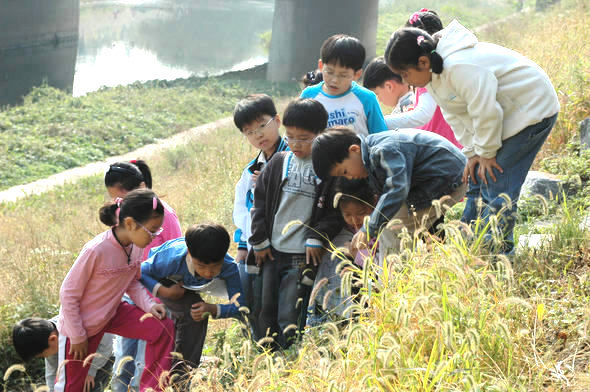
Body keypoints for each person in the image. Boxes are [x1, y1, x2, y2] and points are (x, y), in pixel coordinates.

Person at [384, 20, 560, 252]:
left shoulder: (459, 66)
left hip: (531, 110)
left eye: (405, 74)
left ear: (423, 62)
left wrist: (486, 153)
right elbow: (455, 115)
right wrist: (472, 153)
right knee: (475, 178)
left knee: (498, 184)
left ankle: (497, 257)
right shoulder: (434, 75)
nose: (406, 82)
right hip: (506, 113)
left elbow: (486, 112)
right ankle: (470, 248)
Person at [56, 188, 174, 392]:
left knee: (162, 327)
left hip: (112, 312)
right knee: (72, 387)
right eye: (152, 231)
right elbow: (68, 292)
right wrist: (77, 335)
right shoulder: (96, 250)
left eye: (158, 231)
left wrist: (149, 305)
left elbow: (132, 282)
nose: (155, 237)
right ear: (129, 223)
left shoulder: (135, 246)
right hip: (81, 326)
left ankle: (153, 387)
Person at [311, 127, 467, 261]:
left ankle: (391, 283)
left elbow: (397, 189)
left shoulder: (384, 151)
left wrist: (369, 229)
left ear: (354, 150)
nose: (349, 177)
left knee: (391, 229)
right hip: (431, 184)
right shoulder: (370, 154)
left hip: (447, 178)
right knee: (401, 228)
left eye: (345, 171)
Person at [249, 98, 330, 348]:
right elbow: (259, 203)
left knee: (290, 310)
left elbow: (332, 212)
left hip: (300, 256)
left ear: (321, 134)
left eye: (304, 138)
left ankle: (289, 356)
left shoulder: (326, 169)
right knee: (263, 308)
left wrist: (317, 237)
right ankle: (266, 355)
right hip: (271, 251)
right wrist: (259, 241)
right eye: (290, 136)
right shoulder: (279, 161)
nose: (295, 143)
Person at [105, 160, 182, 392]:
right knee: (123, 357)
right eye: (117, 199)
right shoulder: (122, 212)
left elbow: (176, 253)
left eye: (124, 197)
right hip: (131, 293)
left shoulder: (165, 215)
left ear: (141, 187)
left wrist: (166, 294)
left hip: (158, 298)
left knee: (145, 360)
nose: (122, 203)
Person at [139, 223, 245, 376]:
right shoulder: (171, 259)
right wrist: (166, 292)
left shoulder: (229, 266)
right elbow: (141, 272)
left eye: (215, 267)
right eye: (201, 266)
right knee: (189, 312)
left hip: (188, 285)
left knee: (197, 314)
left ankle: (183, 376)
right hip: (164, 281)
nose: (208, 272)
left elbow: (242, 306)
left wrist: (213, 309)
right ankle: (176, 376)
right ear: (189, 253)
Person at [232, 94, 289, 339]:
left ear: (277, 120)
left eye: (262, 126)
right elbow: (244, 207)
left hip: (286, 241)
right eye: (249, 132)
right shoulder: (251, 169)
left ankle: (282, 342)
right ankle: (259, 342)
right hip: (258, 243)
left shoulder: (293, 156)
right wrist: (243, 244)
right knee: (250, 292)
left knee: (282, 301)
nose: (258, 135)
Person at [300, 34, 388, 136]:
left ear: (357, 74)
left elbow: (381, 138)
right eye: (329, 72)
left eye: (343, 75)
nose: (335, 80)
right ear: (321, 66)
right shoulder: (309, 96)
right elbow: (297, 133)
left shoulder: (367, 98)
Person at [12, 317, 114, 392]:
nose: (46, 358)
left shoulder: (76, 325)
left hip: (101, 359)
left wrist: (91, 371)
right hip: (75, 363)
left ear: (53, 339)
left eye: (42, 356)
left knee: (89, 387)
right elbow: (52, 372)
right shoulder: (46, 339)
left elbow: (107, 345)